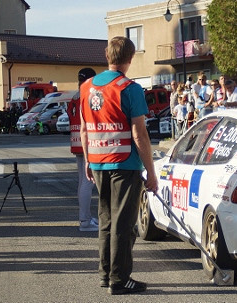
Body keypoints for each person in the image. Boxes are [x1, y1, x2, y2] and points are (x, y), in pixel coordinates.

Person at [80, 36, 158, 295]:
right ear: (131, 58)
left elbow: (84, 129)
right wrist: (152, 172)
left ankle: (105, 273)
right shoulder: (129, 88)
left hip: (99, 161)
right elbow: (140, 135)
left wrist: (89, 160)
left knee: (106, 221)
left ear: (107, 55)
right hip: (125, 163)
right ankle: (120, 279)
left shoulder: (87, 86)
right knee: (123, 225)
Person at [68, 67, 98, 232]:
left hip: (76, 143)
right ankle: (85, 221)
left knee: (82, 182)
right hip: (87, 142)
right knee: (88, 182)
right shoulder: (88, 95)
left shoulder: (74, 96)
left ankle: (84, 217)